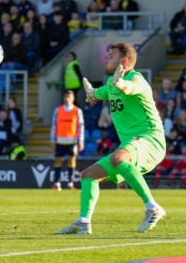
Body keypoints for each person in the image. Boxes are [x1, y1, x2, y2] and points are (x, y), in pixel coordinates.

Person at [56, 43, 166, 235]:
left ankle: (152, 208)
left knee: (118, 158)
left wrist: (120, 84)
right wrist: (91, 93)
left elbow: (128, 87)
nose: (105, 59)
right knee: (88, 175)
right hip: (132, 144)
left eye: (110, 56)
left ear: (123, 61)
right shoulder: (110, 84)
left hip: (151, 140)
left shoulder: (136, 78)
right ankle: (83, 222)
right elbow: (101, 93)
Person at [50, 90, 85, 190]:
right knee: (58, 160)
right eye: (66, 96)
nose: (67, 98)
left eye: (69, 97)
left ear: (73, 98)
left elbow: (80, 127)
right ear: (63, 98)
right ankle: (56, 182)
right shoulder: (58, 110)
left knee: (72, 160)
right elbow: (54, 125)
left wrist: (81, 141)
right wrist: (52, 139)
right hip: (60, 140)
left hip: (72, 141)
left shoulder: (77, 111)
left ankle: (70, 183)